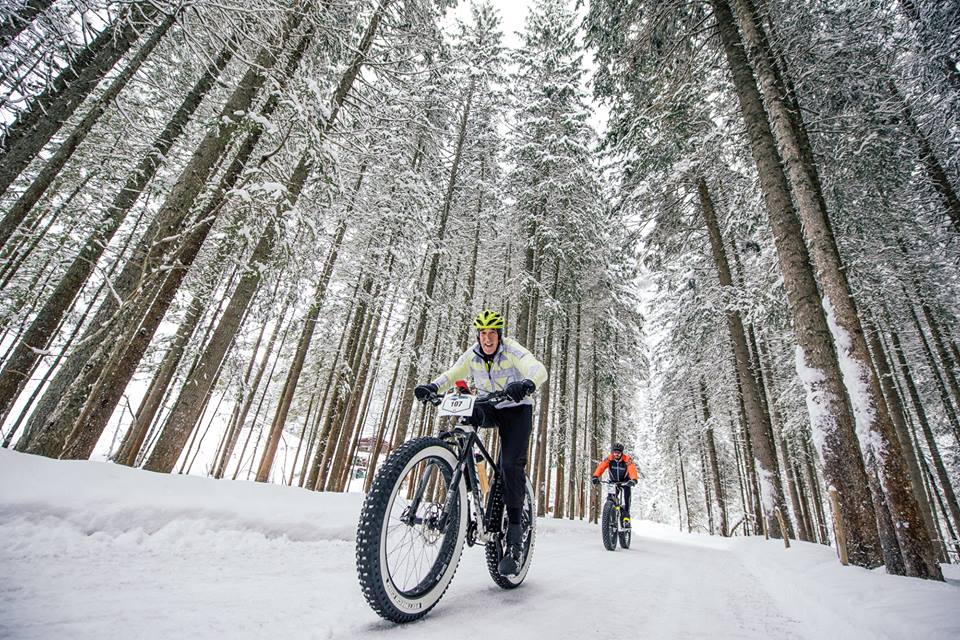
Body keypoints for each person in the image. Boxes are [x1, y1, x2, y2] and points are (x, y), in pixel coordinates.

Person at [414, 309, 547, 576]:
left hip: (517, 408)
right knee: (465, 414)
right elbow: (453, 373)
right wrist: (432, 386)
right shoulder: (473, 353)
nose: (487, 338)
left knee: (510, 465)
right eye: (483, 333)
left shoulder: (511, 350)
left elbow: (537, 368)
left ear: (499, 334)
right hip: (489, 404)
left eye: (492, 333)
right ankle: (462, 468)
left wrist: (527, 384)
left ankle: (514, 538)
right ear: (478, 335)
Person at [591, 443, 638, 528]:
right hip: (613, 481)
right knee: (611, 498)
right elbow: (601, 467)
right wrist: (595, 476)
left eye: (618, 453)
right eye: (615, 452)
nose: (616, 454)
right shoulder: (609, 459)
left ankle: (626, 519)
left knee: (627, 499)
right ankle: (611, 514)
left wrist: (634, 479)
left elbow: (632, 469)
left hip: (625, 482)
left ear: (621, 453)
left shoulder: (627, 459)